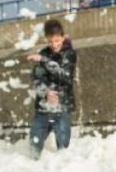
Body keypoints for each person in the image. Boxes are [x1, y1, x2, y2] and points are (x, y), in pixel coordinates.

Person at [25, 19, 77, 157]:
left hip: (62, 109)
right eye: (50, 41)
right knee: (33, 148)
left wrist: (44, 60)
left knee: (64, 151)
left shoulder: (69, 54)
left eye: (57, 41)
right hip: (43, 109)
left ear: (63, 37)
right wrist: (45, 93)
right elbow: (36, 79)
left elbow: (65, 76)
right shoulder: (43, 53)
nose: (54, 45)